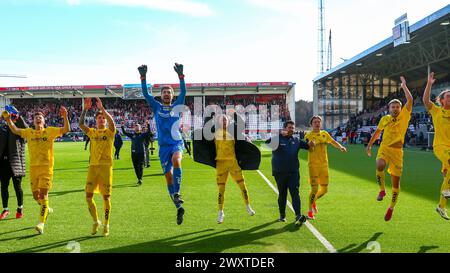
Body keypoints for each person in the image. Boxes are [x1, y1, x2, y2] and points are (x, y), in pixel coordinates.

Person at [3, 106, 70, 234]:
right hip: (34, 169)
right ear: (33, 121)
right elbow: (15, 130)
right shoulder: (29, 132)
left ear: (44, 121)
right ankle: (46, 209)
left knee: (44, 195)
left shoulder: (50, 131)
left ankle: (41, 223)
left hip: (46, 169)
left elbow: (66, 129)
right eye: (36, 117)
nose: (38, 119)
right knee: (35, 197)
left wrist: (65, 116)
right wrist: (8, 119)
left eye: (40, 117)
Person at [139, 63, 187, 225]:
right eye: (164, 92)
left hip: (176, 144)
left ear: (173, 95)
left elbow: (184, 91)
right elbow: (146, 94)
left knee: (177, 160)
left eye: (169, 92)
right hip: (163, 148)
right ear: (161, 95)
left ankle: (177, 193)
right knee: (168, 176)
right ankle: (178, 206)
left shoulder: (177, 106)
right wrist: (143, 77)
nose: (167, 94)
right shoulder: (157, 106)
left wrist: (181, 76)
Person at [194, 113, 260, 224]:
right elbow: (205, 127)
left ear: (228, 122)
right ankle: (220, 212)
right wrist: (210, 116)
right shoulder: (214, 132)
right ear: (218, 122)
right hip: (221, 164)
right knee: (221, 190)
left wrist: (234, 114)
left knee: (242, 186)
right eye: (221, 120)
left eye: (225, 120)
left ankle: (248, 206)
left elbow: (241, 127)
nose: (224, 122)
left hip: (233, 163)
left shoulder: (233, 132)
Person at [366, 76, 413, 221]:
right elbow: (378, 132)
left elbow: (410, 100)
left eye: (397, 106)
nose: (395, 108)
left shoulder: (405, 115)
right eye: (393, 107)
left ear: (400, 108)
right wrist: (369, 145)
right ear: (389, 108)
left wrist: (404, 86)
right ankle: (381, 190)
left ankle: (391, 208)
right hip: (384, 148)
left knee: (396, 183)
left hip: (397, 152)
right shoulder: (384, 119)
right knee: (379, 164)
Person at [79, 97, 116, 236]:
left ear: (105, 120)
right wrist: (85, 110)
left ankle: (106, 224)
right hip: (93, 167)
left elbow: (112, 123)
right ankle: (96, 221)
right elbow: (81, 124)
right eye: (99, 118)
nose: (101, 119)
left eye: (103, 118)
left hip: (106, 168)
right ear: (96, 120)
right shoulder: (92, 132)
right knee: (88, 197)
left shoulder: (110, 132)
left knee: (106, 198)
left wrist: (103, 110)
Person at [265, 120, 312, 225]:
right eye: (289, 127)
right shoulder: (278, 139)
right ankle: (282, 215)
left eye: (293, 128)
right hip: (279, 172)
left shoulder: (297, 140)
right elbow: (267, 143)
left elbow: (308, 146)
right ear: (285, 128)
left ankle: (298, 215)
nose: (291, 129)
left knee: (295, 193)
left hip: (293, 172)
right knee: (282, 194)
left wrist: (311, 143)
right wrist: (278, 135)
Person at [304, 116, 347, 220]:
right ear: (311, 124)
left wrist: (340, 146)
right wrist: (311, 145)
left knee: (324, 190)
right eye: (315, 122)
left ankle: (313, 201)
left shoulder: (325, 134)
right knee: (314, 189)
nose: (317, 124)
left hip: (324, 165)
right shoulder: (308, 135)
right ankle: (310, 211)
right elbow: (307, 147)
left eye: (319, 122)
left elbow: (332, 141)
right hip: (313, 165)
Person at [422, 72, 450, 220]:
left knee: (448, 176)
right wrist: (429, 84)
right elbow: (425, 100)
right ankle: (447, 191)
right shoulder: (437, 111)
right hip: (440, 146)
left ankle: (441, 206)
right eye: (448, 96)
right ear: (442, 100)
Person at [0, 106, 27, 220]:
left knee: (17, 187)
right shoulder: (2, 128)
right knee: (4, 187)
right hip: (3, 163)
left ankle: (20, 208)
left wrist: (18, 115)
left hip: (16, 162)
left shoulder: (18, 128)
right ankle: (5, 209)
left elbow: (26, 129)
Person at [121, 121, 153, 186]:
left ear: (140, 128)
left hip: (141, 153)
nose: (136, 127)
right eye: (135, 126)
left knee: (140, 166)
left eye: (138, 126)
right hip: (133, 153)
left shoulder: (143, 134)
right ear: (134, 128)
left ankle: (140, 179)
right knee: (135, 167)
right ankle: (139, 178)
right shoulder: (132, 135)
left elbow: (149, 132)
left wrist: (148, 125)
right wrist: (122, 126)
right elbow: (124, 133)